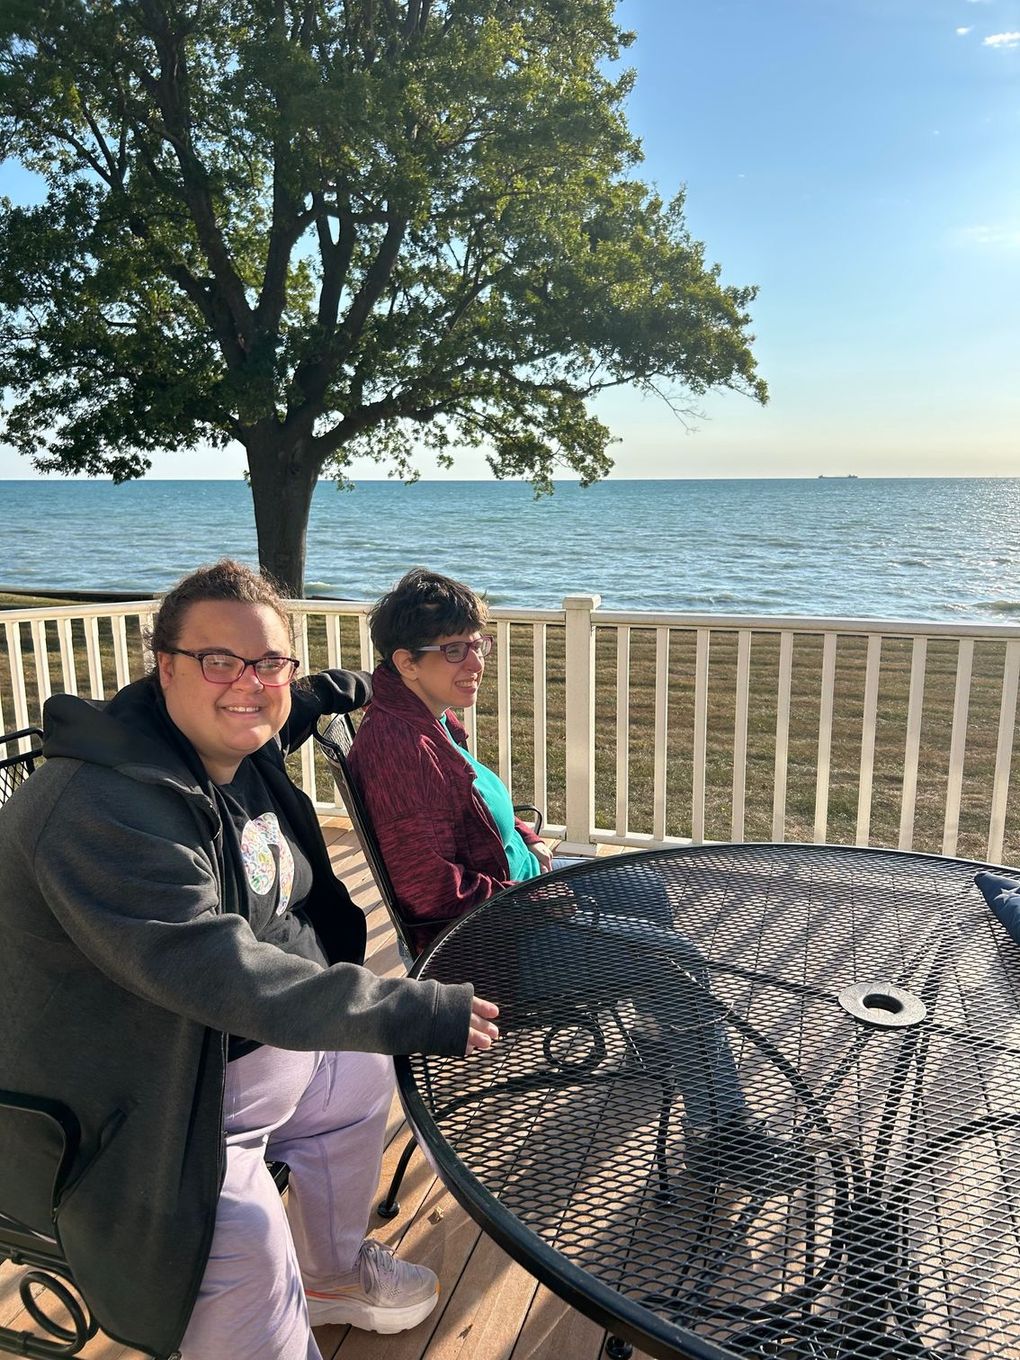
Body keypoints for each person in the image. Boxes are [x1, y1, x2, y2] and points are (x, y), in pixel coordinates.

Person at [0, 559, 499, 1360]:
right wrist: (406, 1006)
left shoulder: (237, 742)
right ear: (163, 666)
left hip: (243, 1054)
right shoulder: (101, 810)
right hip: (149, 1106)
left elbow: (274, 707)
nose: (248, 683)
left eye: (269, 661)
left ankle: (332, 1274)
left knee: (358, 1077)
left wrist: (337, 689)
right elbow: (215, 968)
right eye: (219, 660)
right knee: (246, 1245)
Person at [348, 568, 560, 952]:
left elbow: (477, 797)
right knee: (661, 952)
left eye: (479, 646)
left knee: (649, 896)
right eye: (455, 651)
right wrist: (542, 900)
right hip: (497, 939)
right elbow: (434, 894)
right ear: (407, 663)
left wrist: (527, 837)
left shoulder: (432, 717)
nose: (476, 664)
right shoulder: (403, 752)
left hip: (521, 892)